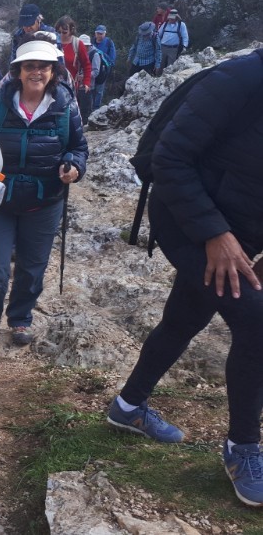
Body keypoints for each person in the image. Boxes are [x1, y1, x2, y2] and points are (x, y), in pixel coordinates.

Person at [106, 48, 263, 508]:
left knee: (184, 317)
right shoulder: (239, 79)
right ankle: (243, 449)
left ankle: (128, 407)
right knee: (256, 321)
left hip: (243, 228)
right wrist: (214, 234)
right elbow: (171, 158)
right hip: (187, 221)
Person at [0, 35, 88, 357]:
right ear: (18, 71)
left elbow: (78, 147)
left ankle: (20, 319)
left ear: (53, 71)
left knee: (32, 267)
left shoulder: (65, 105)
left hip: (45, 201)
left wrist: (73, 166)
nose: (36, 72)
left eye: (43, 67)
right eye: (29, 66)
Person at [55, 16, 92, 116]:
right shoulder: (53, 43)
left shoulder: (77, 44)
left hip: (71, 86)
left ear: (71, 30)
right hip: (54, 84)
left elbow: (86, 64)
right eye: (59, 32)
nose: (61, 35)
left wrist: (86, 82)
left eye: (64, 32)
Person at [10, 3, 55, 68]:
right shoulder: (18, 36)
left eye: (31, 24)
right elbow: (13, 61)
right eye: (25, 25)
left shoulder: (51, 33)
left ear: (38, 20)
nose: (28, 28)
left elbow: (59, 62)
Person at [91, 25, 116, 110]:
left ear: (105, 34)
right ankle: (89, 108)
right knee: (91, 90)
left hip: (103, 71)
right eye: (98, 33)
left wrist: (101, 54)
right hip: (92, 69)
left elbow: (112, 59)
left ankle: (96, 108)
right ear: (95, 33)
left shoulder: (109, 43)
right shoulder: (91, 42)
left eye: (101, 34)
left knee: (99, 90)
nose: (99, 35)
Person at [79, 34, 101, 116]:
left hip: (88, 86)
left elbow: (96, 71)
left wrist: (84, 76)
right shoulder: (78, 53)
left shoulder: (94, 54)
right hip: (77, 86)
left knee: (86, 109)